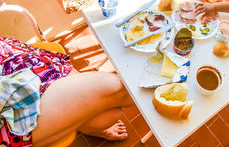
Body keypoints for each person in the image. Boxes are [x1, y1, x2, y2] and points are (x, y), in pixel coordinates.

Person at [0, 37, 134, 147]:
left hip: (8, 61)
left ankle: (80, 122)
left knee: (108, 116)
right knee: (117, 91)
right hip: (7, 114)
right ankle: (83, 123)